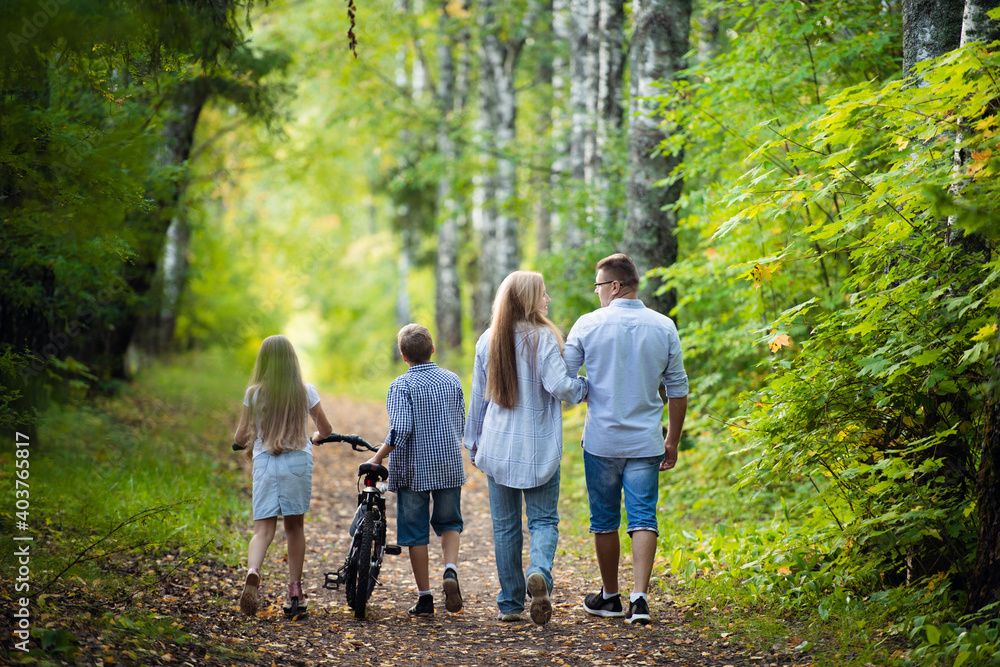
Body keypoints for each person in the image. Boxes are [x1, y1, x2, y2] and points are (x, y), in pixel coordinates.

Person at [564, 253, 688, 626]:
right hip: (646, 442)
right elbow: (678, 389)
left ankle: (609, 596)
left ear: (614, 286)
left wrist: (588, 388)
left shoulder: (587, 325)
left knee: (604, 520)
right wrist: (673, 442)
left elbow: (566, 382)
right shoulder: (664, 326)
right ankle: (640, 599)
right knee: (643, 517)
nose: (598, 293)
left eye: (600, 286)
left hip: (601, 441)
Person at [465, 271, 589, 625]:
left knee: (505, 528)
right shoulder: (543, 338)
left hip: (497, 444)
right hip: (537, 447)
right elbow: (561, 388)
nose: (548, 300)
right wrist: (584, 386)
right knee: (544, 520)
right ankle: (540, 575)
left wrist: (472, 443)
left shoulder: (487, 339)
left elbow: (479, 398)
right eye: (543, 294)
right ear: (528, 300)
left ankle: (510, 605)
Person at [367, 323, 467, 617]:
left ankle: (425, 598)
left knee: (416, 531)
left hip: (413, 469)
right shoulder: (452, 380)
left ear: (403, 356)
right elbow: (459, 421)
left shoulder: (401, 385)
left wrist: (378, 457)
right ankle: (450, 569)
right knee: (450, 522)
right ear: (432, 349)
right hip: (448, 463)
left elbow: (401, 428)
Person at [234, 334, 335, 619]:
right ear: (292, 361)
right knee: (294, 529)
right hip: (297, 463)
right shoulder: (306, 391)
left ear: (264, 362)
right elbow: (325, 429)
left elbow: (240, 436)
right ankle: (294, 591)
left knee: (263, 531)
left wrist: (245, 440)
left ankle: (253, 572)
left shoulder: (254, 393)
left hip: (266, 463)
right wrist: (316, 436)